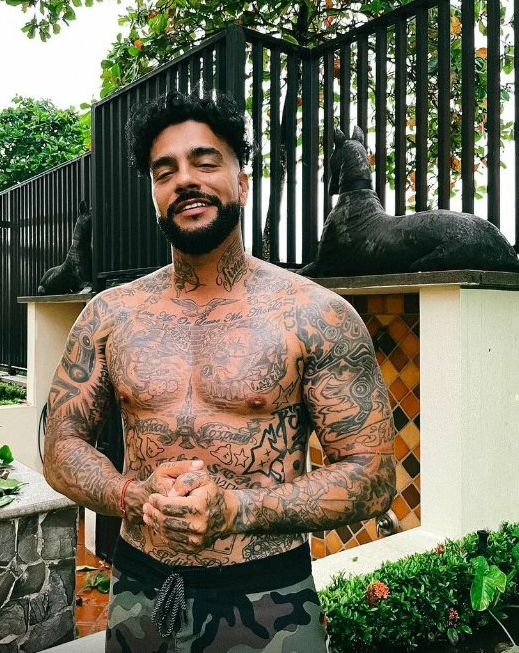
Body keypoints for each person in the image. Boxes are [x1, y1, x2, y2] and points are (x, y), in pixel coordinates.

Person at [43, 89, 396, 653]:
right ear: (155, 195)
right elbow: (61, 446)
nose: (185, 180)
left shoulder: (316, 315)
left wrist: (236, 509)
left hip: (268, 601)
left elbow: (372, 477)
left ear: (242, 183)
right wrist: (130, 495)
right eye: (165, 171)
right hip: (141, 592)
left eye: (205, 163)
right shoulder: (109, 316)